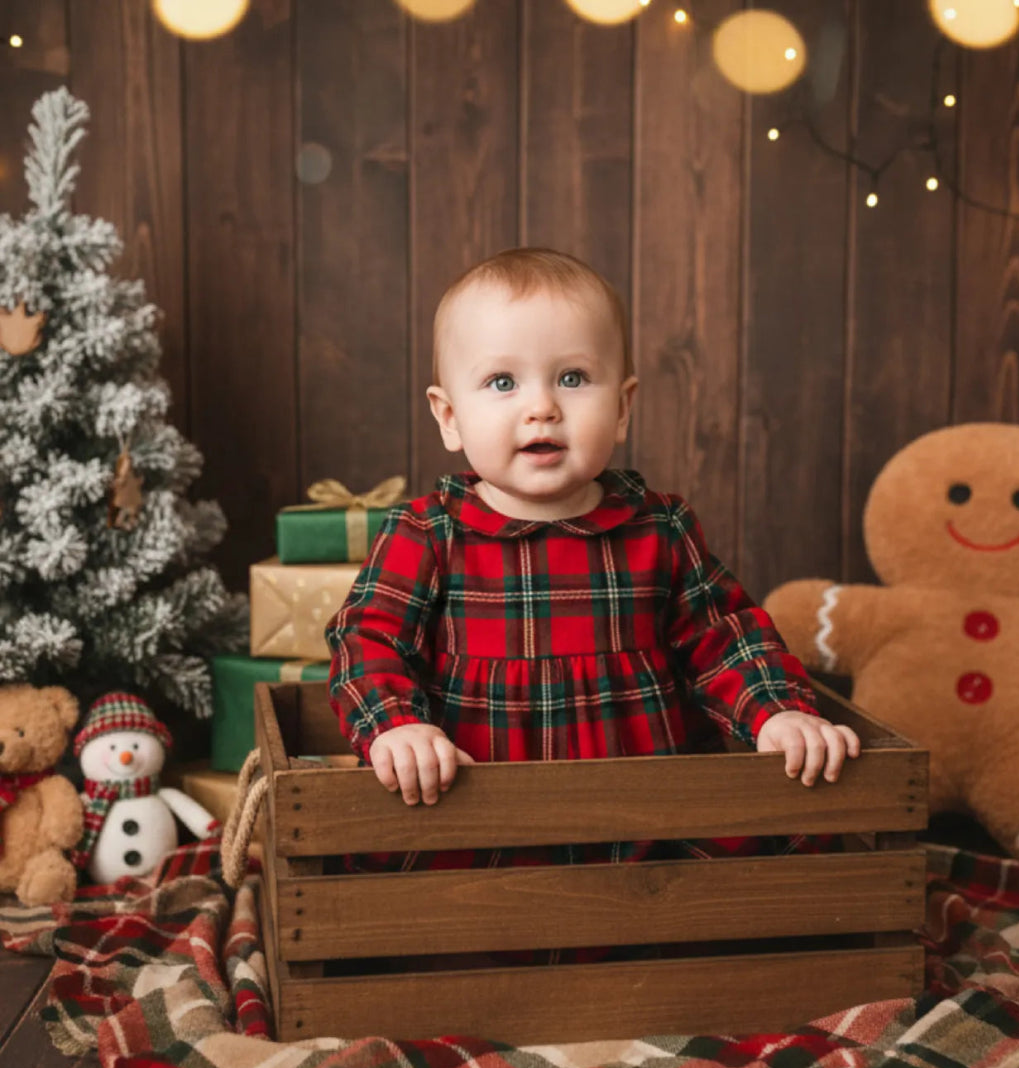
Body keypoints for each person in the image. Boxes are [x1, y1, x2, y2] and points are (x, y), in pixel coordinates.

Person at [325, 247, 859, 870]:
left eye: (572, 378)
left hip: (646, 819)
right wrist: (397, 726)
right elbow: (367, 640)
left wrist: (776, 713)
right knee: (415, 891)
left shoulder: (657, 528)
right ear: (450, 417)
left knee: (781, 849)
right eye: (503, 382)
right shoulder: (428, 534)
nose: (542, 406)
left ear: (624, 406)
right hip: (477, 819)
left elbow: (727, 638)